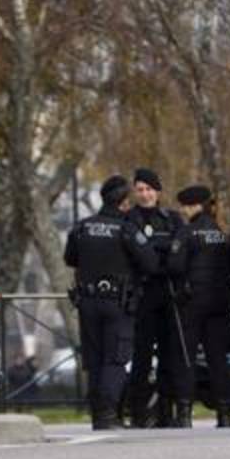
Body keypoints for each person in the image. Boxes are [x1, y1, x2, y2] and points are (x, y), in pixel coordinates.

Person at [63, 175, 158, 430]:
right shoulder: (126, 229)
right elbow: (151, 263)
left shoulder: (82, 227)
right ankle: (108, 413)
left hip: (87, 301)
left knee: (94, 360)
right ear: (125, 203)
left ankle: (99, 414)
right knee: (115, 359)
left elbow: (70, 258)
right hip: (117, 303)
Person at [167, 185, 230, 428]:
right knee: (218, 359)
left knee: (185, 355)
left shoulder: (186, 233)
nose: (183, 211)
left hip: (192, 303)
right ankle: (224, 413)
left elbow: (174, 266)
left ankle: (184, 413)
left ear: (195, 206)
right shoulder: (220, 233)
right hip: (220, 302)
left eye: (185, 206)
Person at [125, 167, 187, 428]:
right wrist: (159, 251)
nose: (145, 194)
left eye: (149, 189)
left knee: (169, 354)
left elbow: (180, 248)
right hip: (142, 294)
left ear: (158, 192)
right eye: (140, 189)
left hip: (168, 293)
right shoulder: (129, 220)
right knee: (140, 356)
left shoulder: (171, 218)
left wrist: (158, 251)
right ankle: (138, 411)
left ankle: (166, 410)